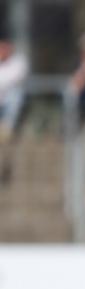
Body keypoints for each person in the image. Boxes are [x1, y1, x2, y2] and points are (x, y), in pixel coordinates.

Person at [0, 34, 28, 183]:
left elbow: (14, 80)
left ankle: (7, 128)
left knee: (14, 96)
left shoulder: (19, 62)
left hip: (10, 107)